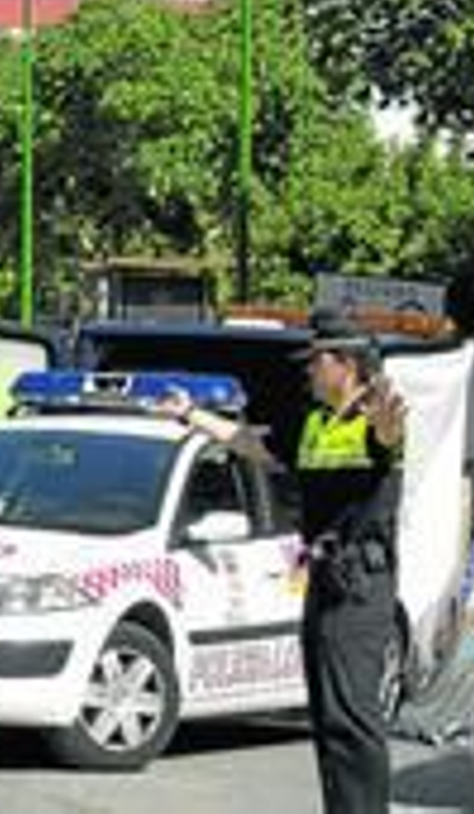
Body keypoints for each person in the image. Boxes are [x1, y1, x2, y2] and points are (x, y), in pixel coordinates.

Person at [158, 308, 405, 814]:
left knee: (353, 717)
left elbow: (388, 436)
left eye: (317, 361)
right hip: (322, 575)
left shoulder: (371, 419)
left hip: (361, 582)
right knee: (327, 717)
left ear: (346, 365)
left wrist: (387, 417)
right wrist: (191, 414)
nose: (309, 371)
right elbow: (251, 444)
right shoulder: (314, 423)